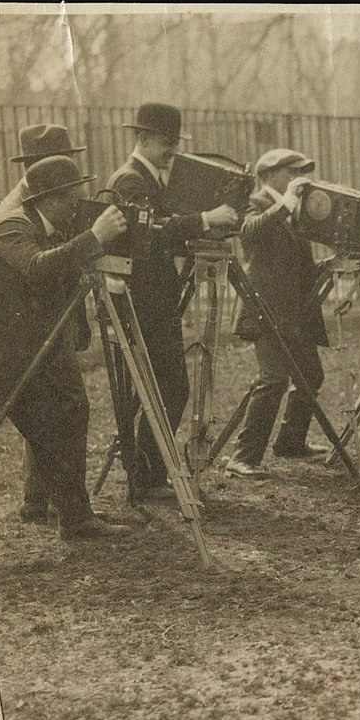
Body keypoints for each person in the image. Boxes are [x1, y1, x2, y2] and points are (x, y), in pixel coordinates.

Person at [0, 156, 132, 539]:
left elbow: (59, 280)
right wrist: (93, 238)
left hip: (17, 354)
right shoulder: (10, 227)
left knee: (60, 419)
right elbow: (39, 268)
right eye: (74, 198)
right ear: (50, 198)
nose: (79, 206)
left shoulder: (52, 228)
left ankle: (76, 520)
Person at [105, 102, 240, 501]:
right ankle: (147, 477)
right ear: (143, 139)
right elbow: (153, 234)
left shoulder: (150, 181)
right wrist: (205, 219)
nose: (172, 151)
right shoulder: (130, 181)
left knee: (164, 386)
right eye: (166, 143)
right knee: (171, 386)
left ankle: (148, 472)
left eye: (175, 143)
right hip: (142, 302)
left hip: (154, 300)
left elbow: (164, 232)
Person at [0, 124, 93, 523]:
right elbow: (40, 269)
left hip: (55, 319)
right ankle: (56, 504)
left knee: (52, 409)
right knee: (62, 407)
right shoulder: (18, 213)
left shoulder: (53, 206)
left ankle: (40, 499)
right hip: (34, 325)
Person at [223, 149, 332, 478]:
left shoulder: (293, 214)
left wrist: (332, 266)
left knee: (311, 375)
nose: (299, 178)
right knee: (273, 380)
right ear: (267, 175)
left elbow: (303, 270)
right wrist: (285, 202)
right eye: (292, 171)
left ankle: (290, 442)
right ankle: (242, 457)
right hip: (265, 312)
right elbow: (249, 232)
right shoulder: (255, 202)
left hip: (293, 315)